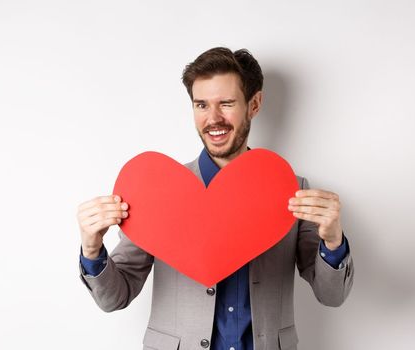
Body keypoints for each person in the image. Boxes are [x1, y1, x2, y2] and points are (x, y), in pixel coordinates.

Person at [76, 47, 354, 350]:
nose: (213, 119)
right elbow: (115, 296)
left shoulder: (293, 191)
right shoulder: (158, 192)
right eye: (201, 105)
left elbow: (332, 296)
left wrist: (333, 241)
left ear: (254, 104)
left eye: (226, 103)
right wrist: (92, 250)